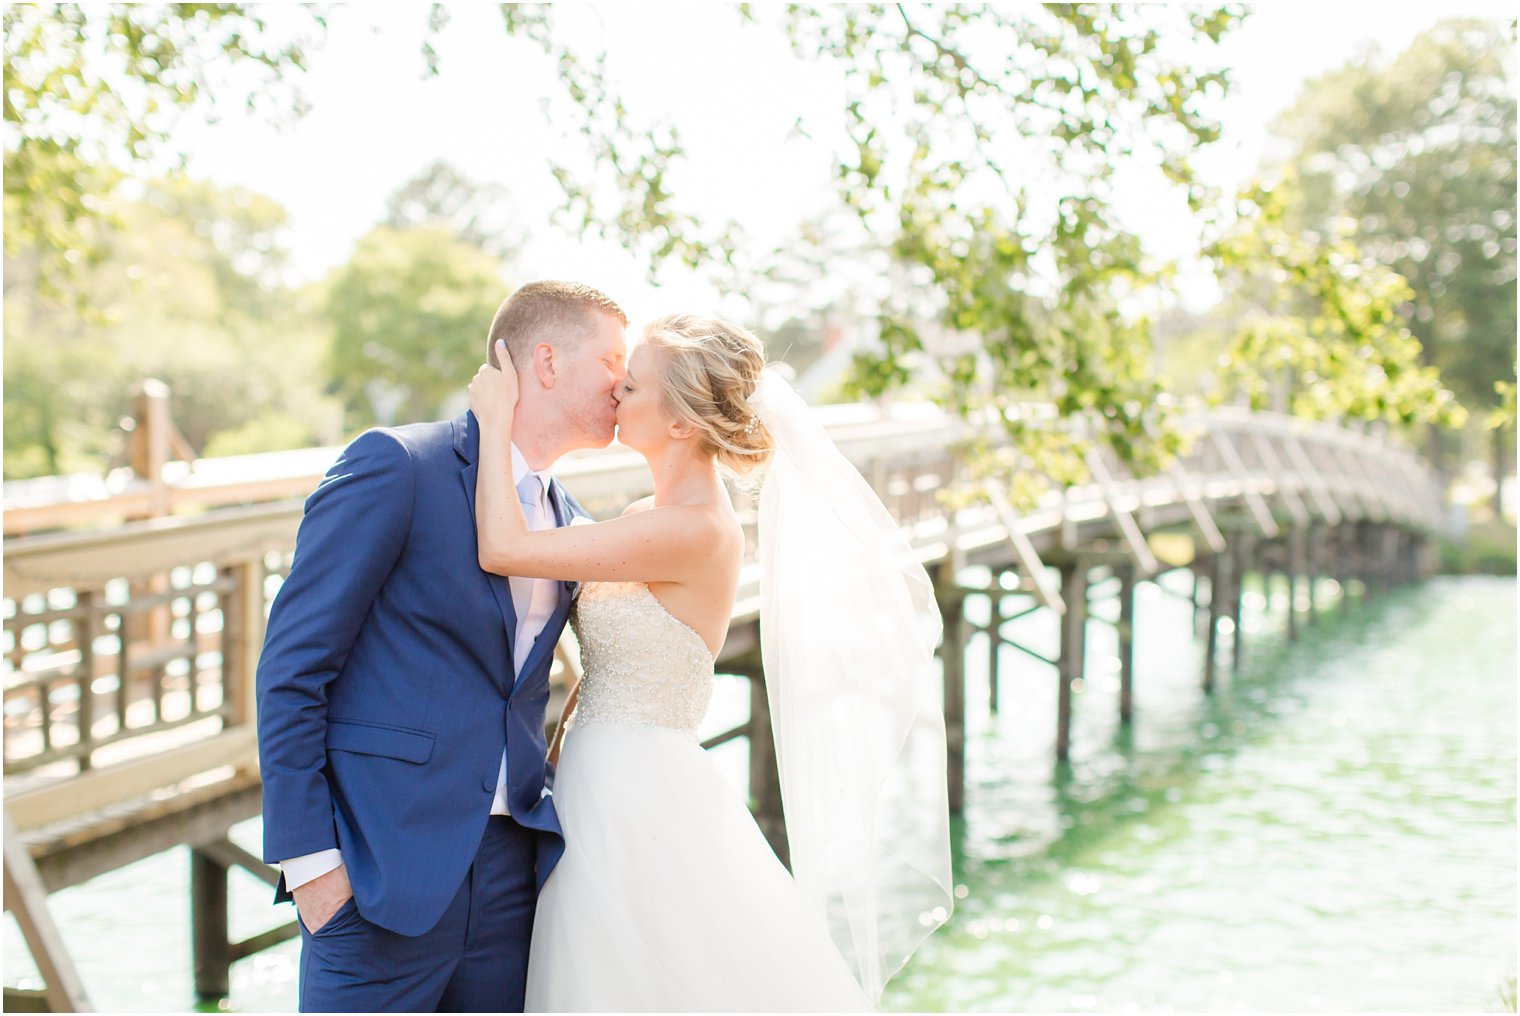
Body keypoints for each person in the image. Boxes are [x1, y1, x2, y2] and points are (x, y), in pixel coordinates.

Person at [468, 313, 953, 1011]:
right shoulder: (647, 512)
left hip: (638, 790)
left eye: (630, 385)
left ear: (678, 423)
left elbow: (504, 549)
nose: (615, 394)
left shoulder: (692, 530)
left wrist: (492, 421)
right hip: (602, 778)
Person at [255, 280, 629, 1012]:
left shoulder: (572, 519)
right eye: (613, 359)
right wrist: (312, 868)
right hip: (376, 873)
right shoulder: (398, 466)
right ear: (546, 362)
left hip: (513, 879)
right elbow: (292, 669)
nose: (627, 381)